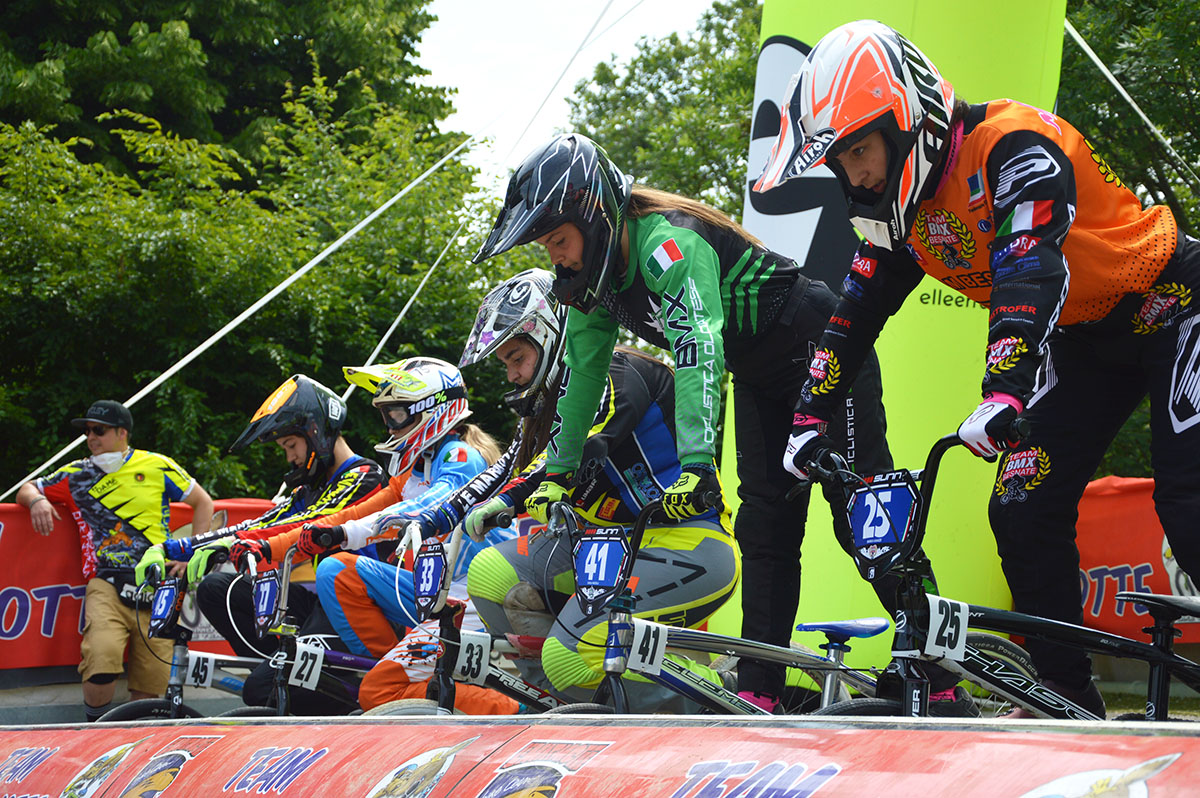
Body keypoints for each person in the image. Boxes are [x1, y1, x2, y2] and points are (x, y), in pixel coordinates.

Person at [754, 19, 1200, 718]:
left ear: (910, 121)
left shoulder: (1013, 144)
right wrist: (807, 416)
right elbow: (853, 313)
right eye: (841, 161)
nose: (856, 174)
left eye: (860, 150)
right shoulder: (903, 213)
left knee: (1189, 497)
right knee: (1020, 510)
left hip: (1170, 299)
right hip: (1085, 340)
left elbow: (1030, 263)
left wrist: (1003, 391)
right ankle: (1066, 703)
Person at [472, 134, 970, 715]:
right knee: (766, 533)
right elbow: (582, 377)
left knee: (864, 518)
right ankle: (762, 687)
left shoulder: (668, 244)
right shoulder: (594, 284)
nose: (556, 256)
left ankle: (942, 674)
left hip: (819, 347)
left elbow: (697, 348)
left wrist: (695, 467)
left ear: (596, 216)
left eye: (557, 240)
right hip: (761, 374)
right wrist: (555, 473)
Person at [457, 269, 740, 712]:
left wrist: (513, 497)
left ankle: (715, 694)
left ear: (551, 335)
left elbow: (584, 438)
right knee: (492, 572)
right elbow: (522, 465)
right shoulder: (545, 409)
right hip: (610, 551)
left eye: (516, 359)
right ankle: (553, 707)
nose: (511, 375)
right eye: (506, 365)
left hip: (691, 546)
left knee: (566, 659)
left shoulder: (620, 371)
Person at [262, 356, 517, 714]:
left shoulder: (461, 455)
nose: (391, 426)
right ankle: (397, 677)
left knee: (377, 691)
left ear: (432, 410)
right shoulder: (420, 465)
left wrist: (346, 531)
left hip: (472, 600)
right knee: (336, 571)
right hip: (436, 592)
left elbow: (433, 503)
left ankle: (515, 715)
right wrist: (291, 541)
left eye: (397, 414)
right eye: (386, 415)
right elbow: (356, 515)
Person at [136, 374, 385, 714]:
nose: (290, 459)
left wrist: (225, 544)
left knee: (259, 688)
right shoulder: (309, 488)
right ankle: (282, 673)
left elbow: (302, 524)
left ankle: (314, 690)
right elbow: (259, 524)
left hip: (356, 610)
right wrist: (172, 549)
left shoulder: (365, 476)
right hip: (321, 605)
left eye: (291, 446)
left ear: (316, 432)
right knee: (216, 588)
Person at [15, 399, 214, 721]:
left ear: (122, 432)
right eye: (86, 432)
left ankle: (131, 741)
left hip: (157, 583)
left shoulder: (157, 465)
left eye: (98, 430)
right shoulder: (76, 473)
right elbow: (26, 488)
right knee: (101, 657)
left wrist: (191, 553)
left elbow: (203, 502)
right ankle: (95, 728)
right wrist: (37, 500)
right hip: (106, 582)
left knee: (153, 673)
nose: (90, 437)